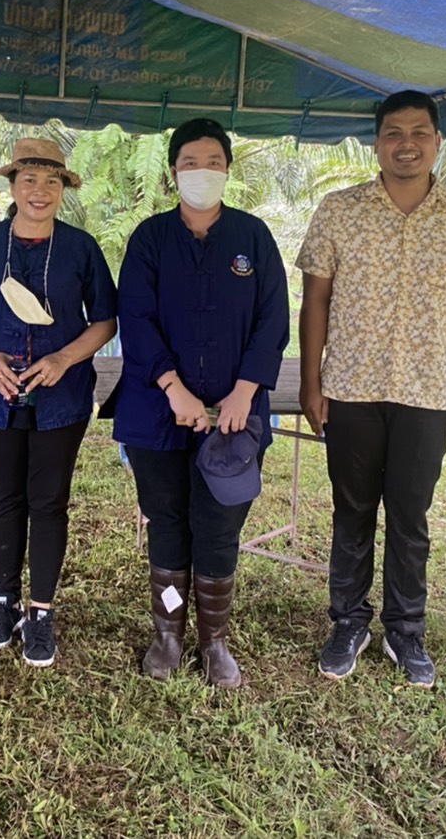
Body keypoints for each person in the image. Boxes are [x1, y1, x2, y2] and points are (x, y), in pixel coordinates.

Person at [297, 90, 446, 687]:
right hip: (351, 388)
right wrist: (312, 381)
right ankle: (348, 623)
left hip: (426, 393)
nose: (405, 143)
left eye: (419, 133)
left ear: (437, 142)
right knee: (351, 512)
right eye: (393, 132)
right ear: (376, 141)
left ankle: (406, 631)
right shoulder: (339, 210)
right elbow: (316, 303)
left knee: (411, 517)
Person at [113, 119, 289, 688]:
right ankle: (167, 634)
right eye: (190, 161)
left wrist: (245, 389)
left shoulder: (253, 238)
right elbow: (134, 319)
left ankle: (214, 641)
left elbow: (274, 320)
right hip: (156, 411)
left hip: (237, 418)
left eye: (213, 160)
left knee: (218, 525)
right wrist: (173, 386)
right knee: (166, 521)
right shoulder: (149, 239)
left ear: (227, 170)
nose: (202, 171)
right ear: (174, 172)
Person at [0, 138, 117, 668]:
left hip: (59, 394)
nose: (38, 191)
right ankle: (4, 602)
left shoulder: (81, 248)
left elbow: (106, 320)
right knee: (6, 499)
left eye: (50, 181)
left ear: (63, 189)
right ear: (12, 185)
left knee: (49, 501)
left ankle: (41, 610)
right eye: (28, 180)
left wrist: (64, 359)